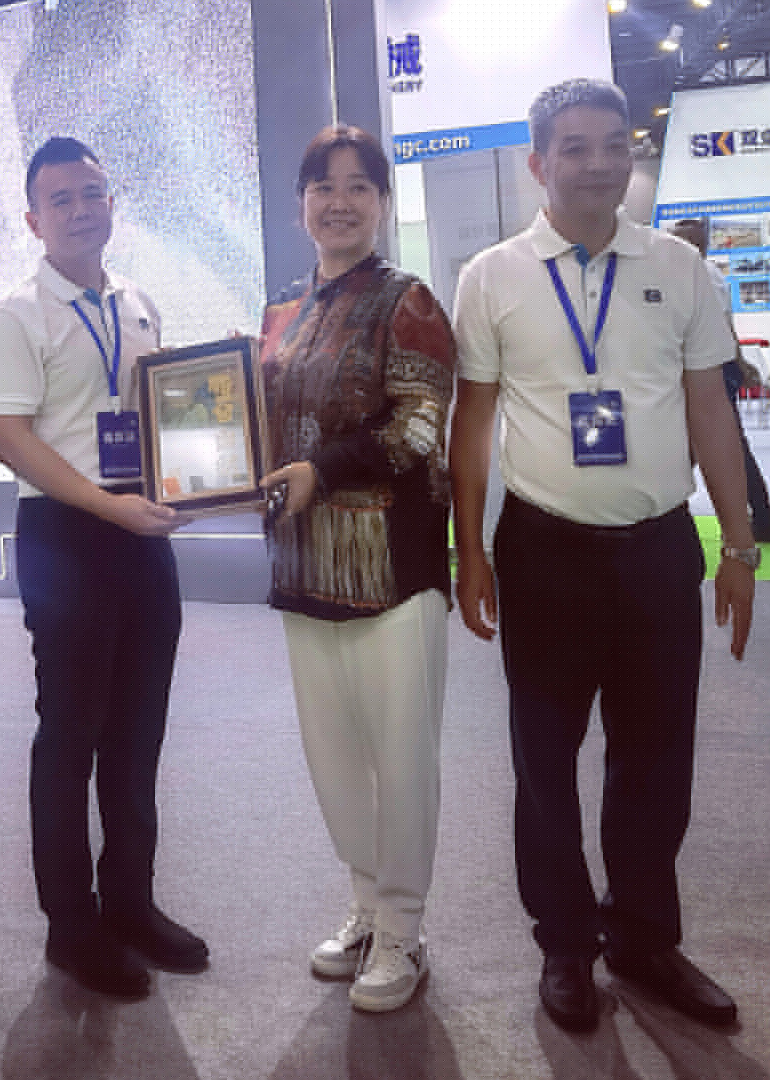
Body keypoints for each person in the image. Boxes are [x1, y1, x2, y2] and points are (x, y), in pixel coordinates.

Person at [450, 79, 757, 1034]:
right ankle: (566, 946)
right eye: (575, 148)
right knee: (545, 760)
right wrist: (470, 550)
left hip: (659, 549)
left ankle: (644, 938)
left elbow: (710, 409)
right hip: (544, 550)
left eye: (615, 145)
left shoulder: (679, 268)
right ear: (538, 163)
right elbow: (472, 424)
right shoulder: (491, 277)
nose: (598, 165)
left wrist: (739, 543)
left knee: (657, 756)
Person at [0, 137, 205, 1001]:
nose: (80, 211)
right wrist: (111, 508)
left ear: (113, 202)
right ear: (33, 219)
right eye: (61, 200)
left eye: (92, 193)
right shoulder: (16, 316)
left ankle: (131, 903)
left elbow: (159, 416)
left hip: (142, 535)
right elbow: (10, 440)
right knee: (70, 735)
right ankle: (71, 926)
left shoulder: (138, 303)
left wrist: (195, 477)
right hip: (66, 538)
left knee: (139, 732)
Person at [255, 124, 455, 1014]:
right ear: (301, 202)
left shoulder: (408, 301)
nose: (339, 202)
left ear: (380, 202)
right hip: (304, 566)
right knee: (334, 757)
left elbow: (419, 427)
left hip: (392, 571)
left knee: (400, 758)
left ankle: (405, 929)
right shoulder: (280, 312)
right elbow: (257, 426)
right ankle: (367, 907)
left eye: (358, 187)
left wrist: (322, 470)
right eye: (322, 186)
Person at [667, 217, 770, 544]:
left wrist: (737, 362)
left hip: (705, 370)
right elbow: (727, 325)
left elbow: (713, 329)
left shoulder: (695, 275)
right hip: (715, 366)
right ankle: (760, 519)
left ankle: (757, 520)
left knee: (725, 446)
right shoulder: (710, 275)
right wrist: (739, 361)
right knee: (717, 446)